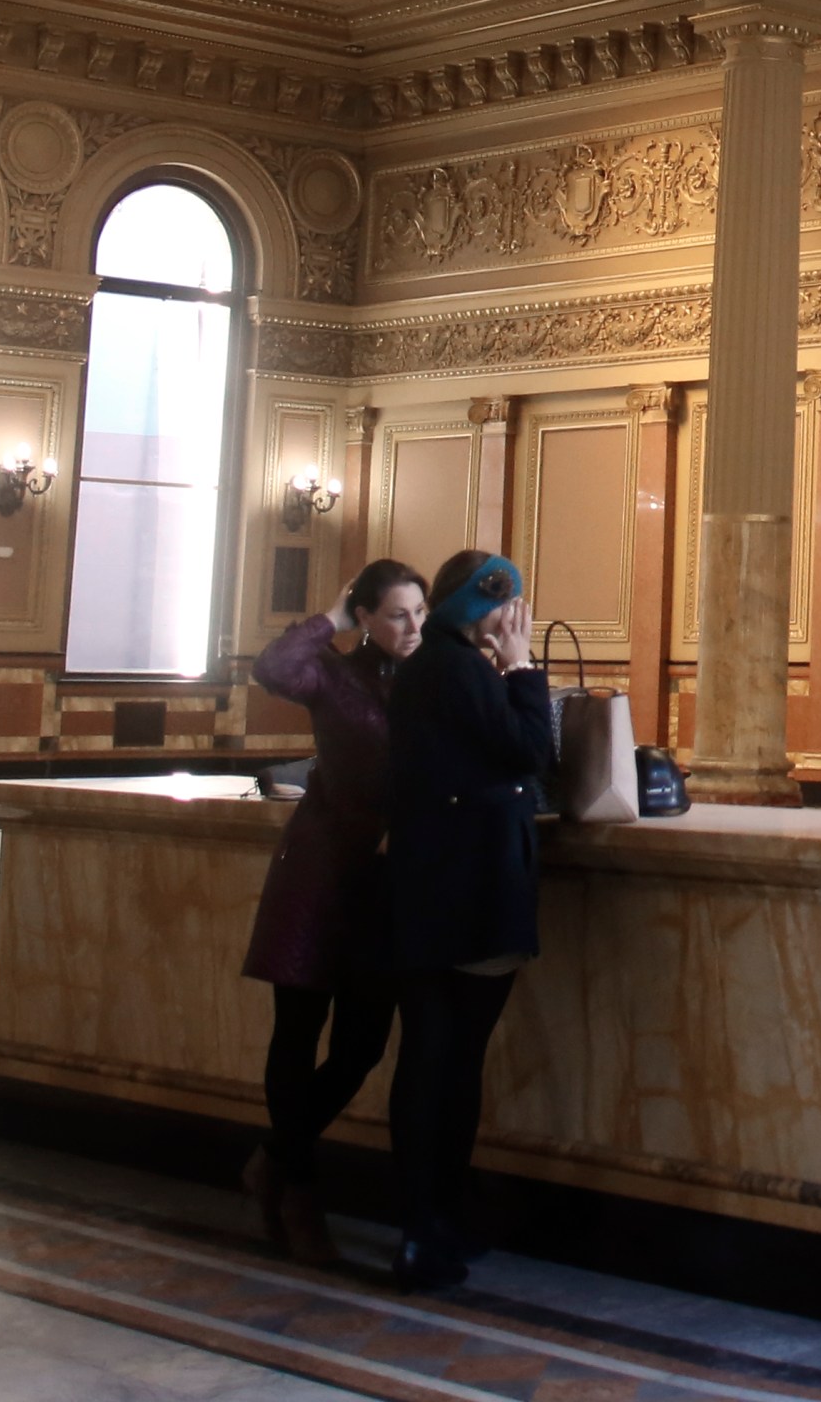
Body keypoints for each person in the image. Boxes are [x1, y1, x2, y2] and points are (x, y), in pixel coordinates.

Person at [240, 556, 423, 1262]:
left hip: (383, 882)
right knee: (297, 1029)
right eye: (395, 614)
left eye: (419, 614)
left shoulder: (432, 677)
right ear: (368, 619)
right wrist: (333, 617)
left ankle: (273, 1161)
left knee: (361, 1045)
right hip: (318, 872)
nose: (410, 628)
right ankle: (298, 1188)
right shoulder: (332, 673)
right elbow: (274, 667)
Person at [382, 545, 553, 1291]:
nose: (509, 619)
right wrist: (520, 665)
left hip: (424, 885)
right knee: (450, 1064)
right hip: (475, 889)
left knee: (427, 1055)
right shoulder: (458, 667)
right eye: (504, 607)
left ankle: (425, 1223)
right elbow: (529, 750)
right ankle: (430, 1223)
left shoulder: (426, 668)